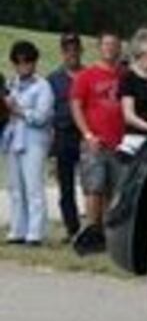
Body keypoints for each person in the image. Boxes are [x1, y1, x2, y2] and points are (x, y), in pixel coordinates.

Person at [69, 32, 126, 253]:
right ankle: (92, 234)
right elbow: (76, 106)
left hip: (119, 142)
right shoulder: (86, 75)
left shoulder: (124, 75)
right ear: (98, 47)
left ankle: (110, 236)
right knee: (94, 188)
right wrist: (87, 134)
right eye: (106, 44)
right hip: (95, 141)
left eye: (114, 44)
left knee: (116, 189)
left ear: (120, 48)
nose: (110, 48)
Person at [4, 40, 55, 246]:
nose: (23, 66)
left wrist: (19, 111)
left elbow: (42, 117)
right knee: (15, 187)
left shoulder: (43, 86)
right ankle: (17, 229)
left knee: (33, 187)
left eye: (27, 62)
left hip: (34, 141)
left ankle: (35, 232)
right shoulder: (11, 84)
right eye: (19, 62)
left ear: (34, 62)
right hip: (12, 139)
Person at [46, 31, 85, 236]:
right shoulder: (53, 79)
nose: (71, 53)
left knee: (92, 184)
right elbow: (48, 111)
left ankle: (95, 227)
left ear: (81, 50)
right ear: (62, 52)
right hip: (63, 135)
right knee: (66, 185)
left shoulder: (89, 75)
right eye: (67, 49)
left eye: (75, 49)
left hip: (86, 134)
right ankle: (72, 228)